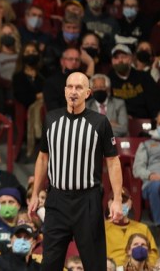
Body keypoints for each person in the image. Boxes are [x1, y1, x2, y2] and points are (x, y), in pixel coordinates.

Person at [27, 72, 124, 271]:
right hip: (57, 201)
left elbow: (113, 161)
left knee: (95, 265)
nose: (73, 91)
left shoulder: (100, 122)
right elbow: (43, 157)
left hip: (87, 201)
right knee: (50, 264)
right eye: (70, 87)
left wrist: (117, 200)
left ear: (88, 93)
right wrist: (35, 193)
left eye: (79, 88)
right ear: (64, 91)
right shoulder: (51, 119)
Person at [104, 188, 158, 266]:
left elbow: (153, 254)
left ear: (130, 204)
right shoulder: (101, 229)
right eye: (116, 201)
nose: (120, 205)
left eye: (123, 201)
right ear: (109, 204)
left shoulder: (143, 228)